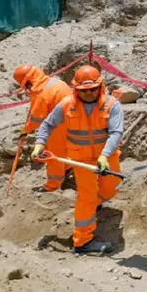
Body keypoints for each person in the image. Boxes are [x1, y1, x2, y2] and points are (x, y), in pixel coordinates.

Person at [32, 65, 124, 255]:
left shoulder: (112, 105)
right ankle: (83, 241)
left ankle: (94, 205)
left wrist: (104, 155)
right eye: (84, 90)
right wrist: (40, 143)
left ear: (101, 86)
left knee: (110, 189)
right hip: (81, 158)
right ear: (76, 89)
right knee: (86, 196)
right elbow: (47, 124)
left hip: (106, 157)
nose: (89, 93)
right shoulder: (66, 105)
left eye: (93, 89)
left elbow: (116, 133)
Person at [13, 64, 73, 192]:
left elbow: (36, 119)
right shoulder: (55, 82)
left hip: (59, 124)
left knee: (53, 155)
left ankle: (53, 185)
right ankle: (67, 168)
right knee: (64, 149)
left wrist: (25, 130)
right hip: (72, 119)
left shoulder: (40, 93)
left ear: (28, 82)